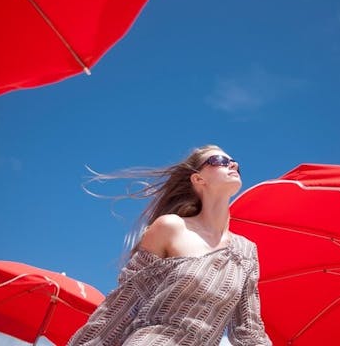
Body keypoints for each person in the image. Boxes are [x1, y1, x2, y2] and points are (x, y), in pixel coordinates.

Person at [68, 145, 272, 346]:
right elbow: (121, 304)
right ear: (198, 179)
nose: (233, 164)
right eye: (220, 161)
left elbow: (249, 332)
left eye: (234, 162)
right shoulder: (171, 227)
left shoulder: (246, 251)